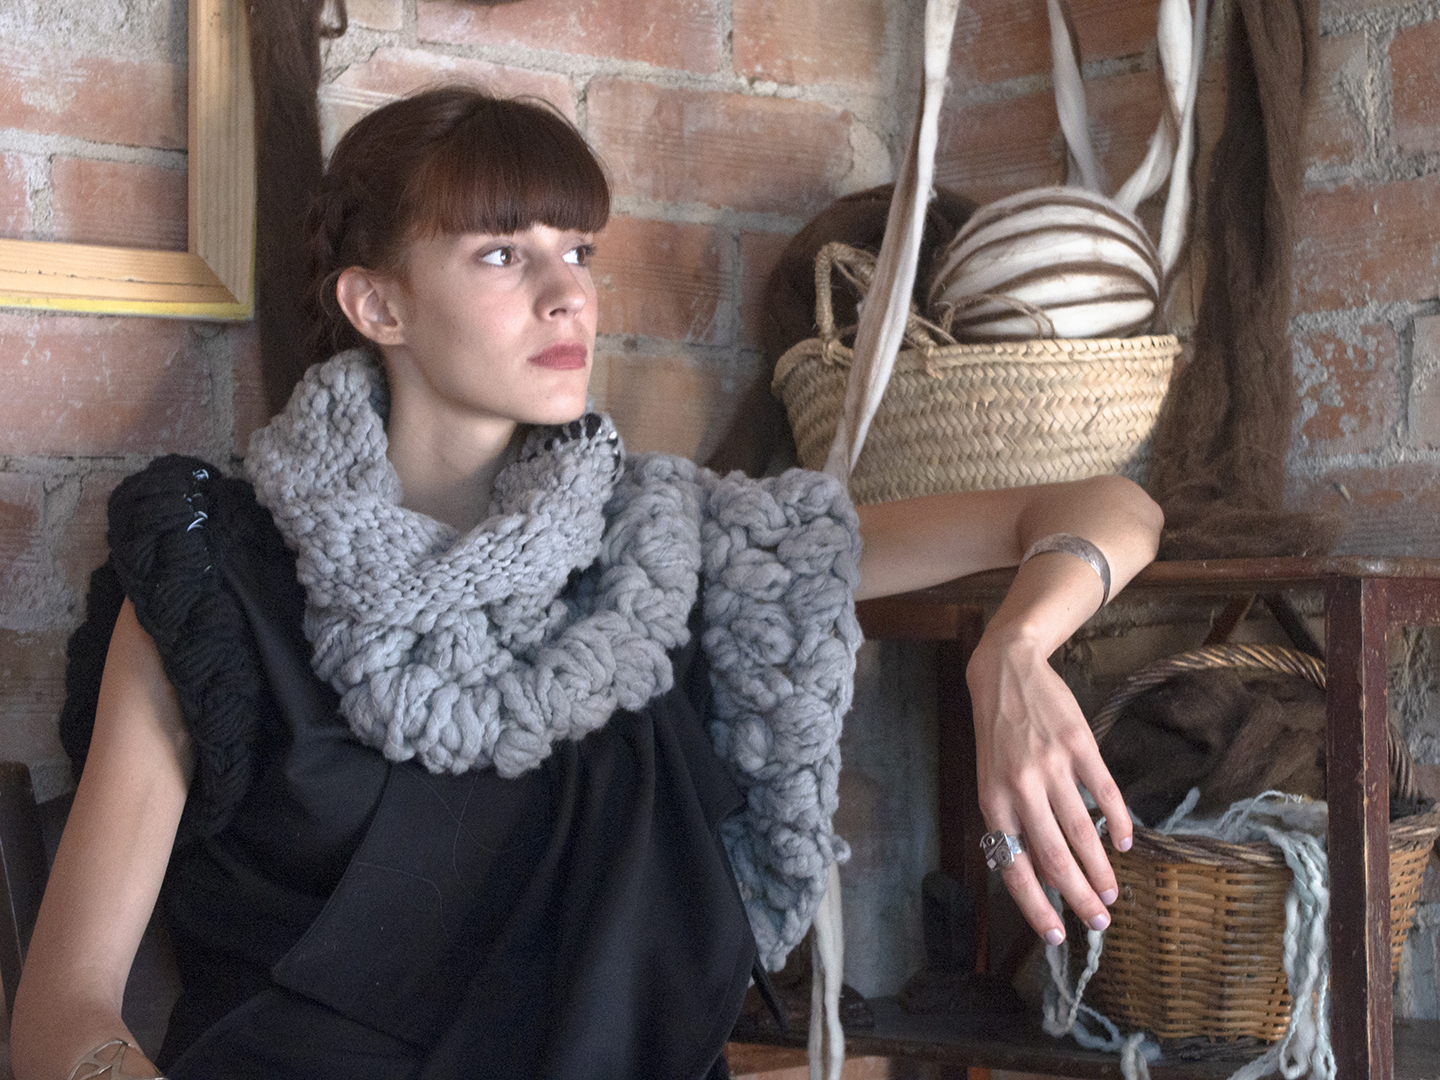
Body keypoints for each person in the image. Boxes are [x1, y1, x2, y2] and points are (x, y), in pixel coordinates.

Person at [11, 87, 1161, 1080]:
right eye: (502, 254)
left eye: (579, 250)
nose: (568, 294)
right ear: (378, 306)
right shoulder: (216, 579)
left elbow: (1102, 506)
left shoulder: (672, 548)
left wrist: (1014, 651)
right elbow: (62, 1014)